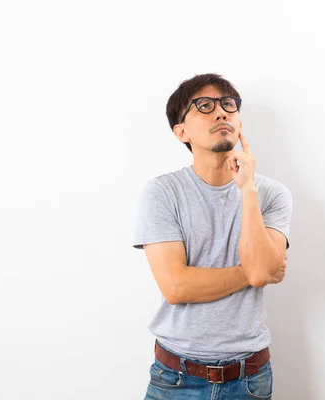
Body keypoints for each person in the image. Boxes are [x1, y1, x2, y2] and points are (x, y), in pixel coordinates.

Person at [133, 73, 293, 399]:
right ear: (181, 132)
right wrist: (251, 273)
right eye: (204, 106)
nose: (220, 112)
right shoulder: (162, 193)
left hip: (249, 377)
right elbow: (177, 287)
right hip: (175, 377)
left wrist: (247, 189)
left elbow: (263, 272)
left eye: (228, 105)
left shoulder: (272, 194)